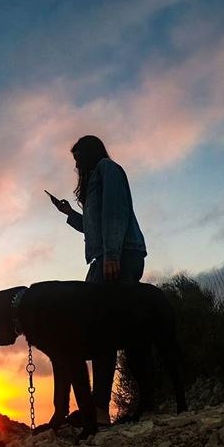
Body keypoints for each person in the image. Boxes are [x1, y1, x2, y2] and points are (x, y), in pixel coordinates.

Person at [50, 134, 147, 425]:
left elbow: (115, 214)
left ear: (91, 152)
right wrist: (69, 213)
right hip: (105, 256)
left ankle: (101, 411)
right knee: (96, 331)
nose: (77, 163)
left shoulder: (107, 169)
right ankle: (97, 408)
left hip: (118, 255)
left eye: (79, 156)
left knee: (102, 333)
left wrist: (113, 255)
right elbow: (94, 227)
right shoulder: (96, 181)